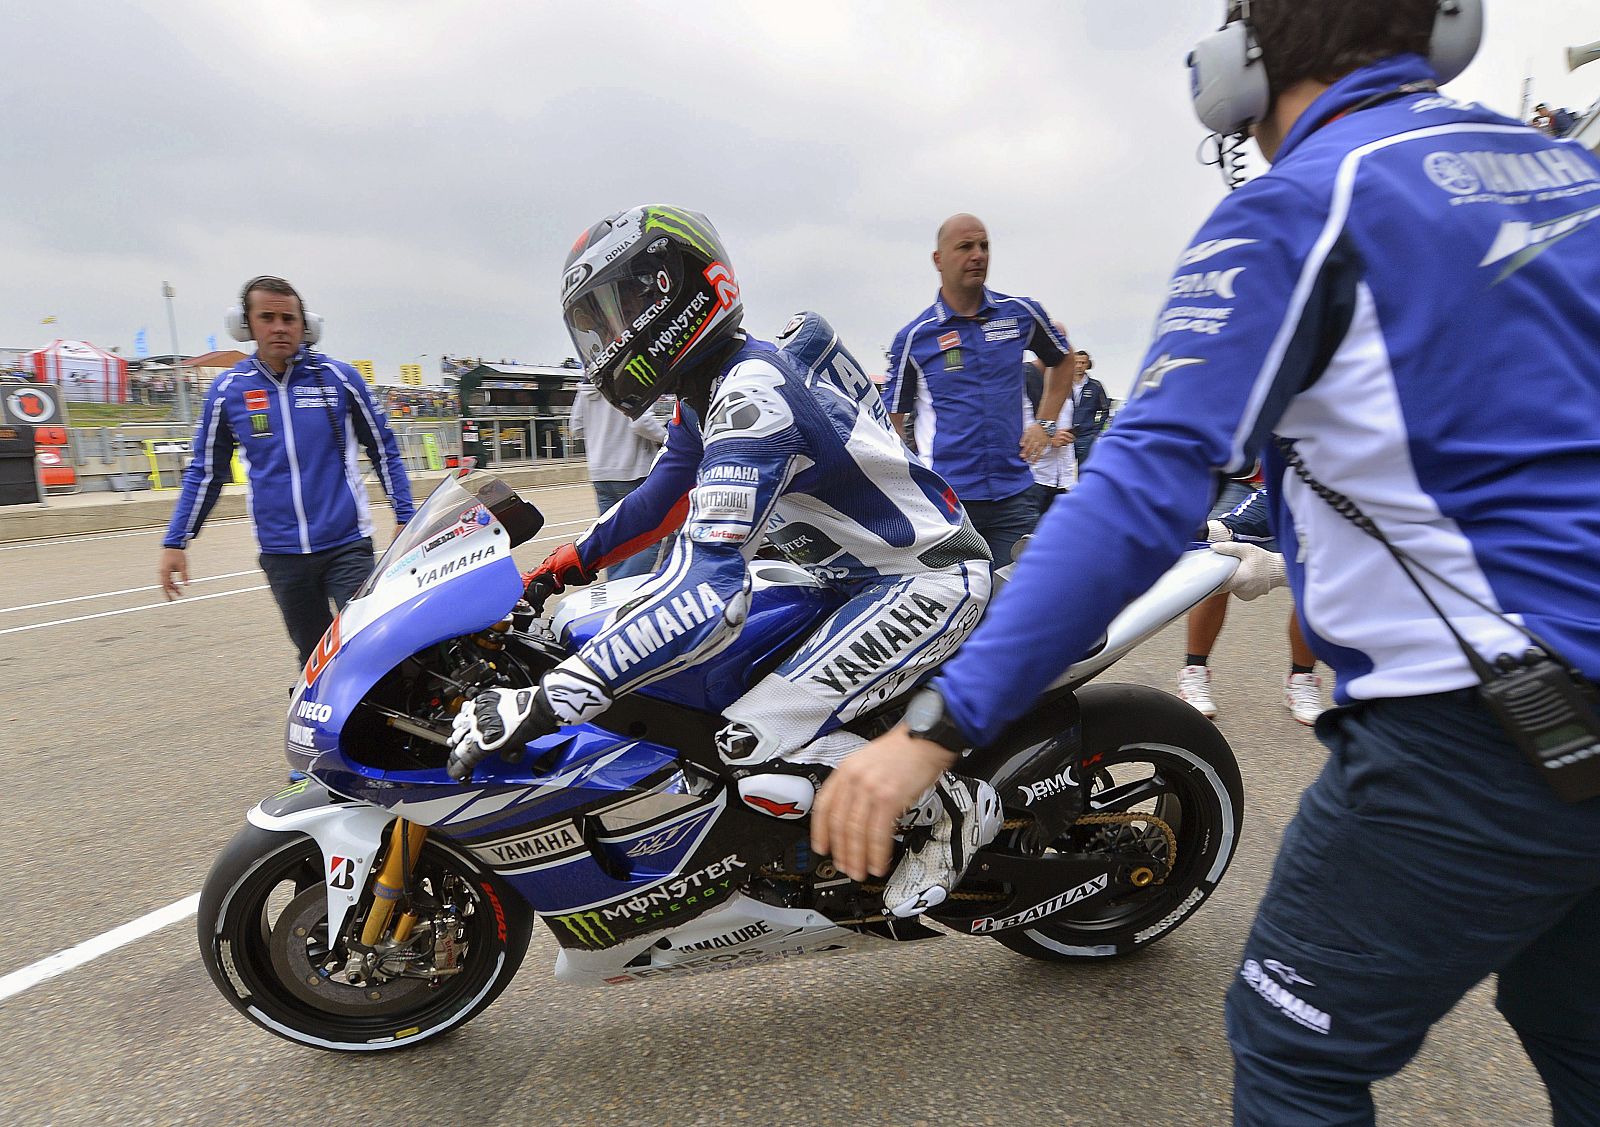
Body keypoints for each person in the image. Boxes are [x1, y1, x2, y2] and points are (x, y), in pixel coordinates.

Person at [817, 2, 1600, 1123]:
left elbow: (1137, 491)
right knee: (1576, 1022)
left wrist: (936, 725)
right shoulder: (1568, 173)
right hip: (1554, 721)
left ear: (1236, 71)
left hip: (1482, 726)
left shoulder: (1298, 206)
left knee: (1293, 1053)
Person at [447, 205, 1000, 918]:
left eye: (622, 311)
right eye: (598, 324)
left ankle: (951, 810)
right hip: (841, 574)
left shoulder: (751, 399)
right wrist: (558, 569)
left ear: (675, 293)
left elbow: (707, 593)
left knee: (748, 740)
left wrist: (550, 699)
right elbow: (660, 501)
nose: (611, 338)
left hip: (921, 579)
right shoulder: (712, 388)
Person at [158, 276, 415, 667]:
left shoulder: (339, 379)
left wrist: (405, 516)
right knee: (316, 661)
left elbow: (384, 449)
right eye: (267, 317)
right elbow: (206, 472)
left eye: (288, 318)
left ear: (305, 325)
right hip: (282, 555)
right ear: (245, 324)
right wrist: (176, 541)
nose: (279, 327)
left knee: (373, 648)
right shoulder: (229, 389)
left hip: (347, 543)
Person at [884, 214, 1074, 566]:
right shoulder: (915, 337)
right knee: (956, 599)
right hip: (947, 503)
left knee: (1016, 596)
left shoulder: (1020, 314)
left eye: (984, 246)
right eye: (965, 247)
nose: (978, 255)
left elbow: (1063, 360)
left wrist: (1045, 424)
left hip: (1014, 496)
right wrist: (906, 486)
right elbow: (891, 419)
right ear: (938, 259)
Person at [1177, 483, 1326, 725]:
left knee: (1312, 584)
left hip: (1305, 488)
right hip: (1243, 479)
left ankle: (1302, 679)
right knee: (1217, 562)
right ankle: (1194, 672)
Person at [567, 375, 667, 579]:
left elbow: (576, 428)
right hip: (632, 472)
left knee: (614, 541)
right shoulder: (631, 379)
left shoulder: (587, 386)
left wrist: (600, 434)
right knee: (648, 539)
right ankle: (621, 589)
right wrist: (668, 437)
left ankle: (612, 587)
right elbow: (641, 423)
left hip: (601, 474)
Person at [1068, 349, 1113, 466]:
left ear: (1088, 364)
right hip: (1066, 436)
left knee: (1085, 471)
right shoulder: (1064, 384)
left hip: (1086, 437)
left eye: (1082, 363)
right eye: (1076, 362)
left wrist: (1095, 431)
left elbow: (1105, 410)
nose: (1079, 366)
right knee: (1064, 473)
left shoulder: (1096, 386)